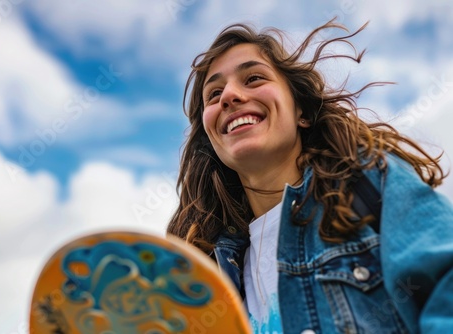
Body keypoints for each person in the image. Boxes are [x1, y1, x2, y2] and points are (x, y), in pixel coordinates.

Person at [167, 19, 453, 333]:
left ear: (301, 112)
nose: (230, 96)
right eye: (214, 93)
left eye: (253, 78)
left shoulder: (372, 184)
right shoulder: (202, 269)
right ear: (210, 137)